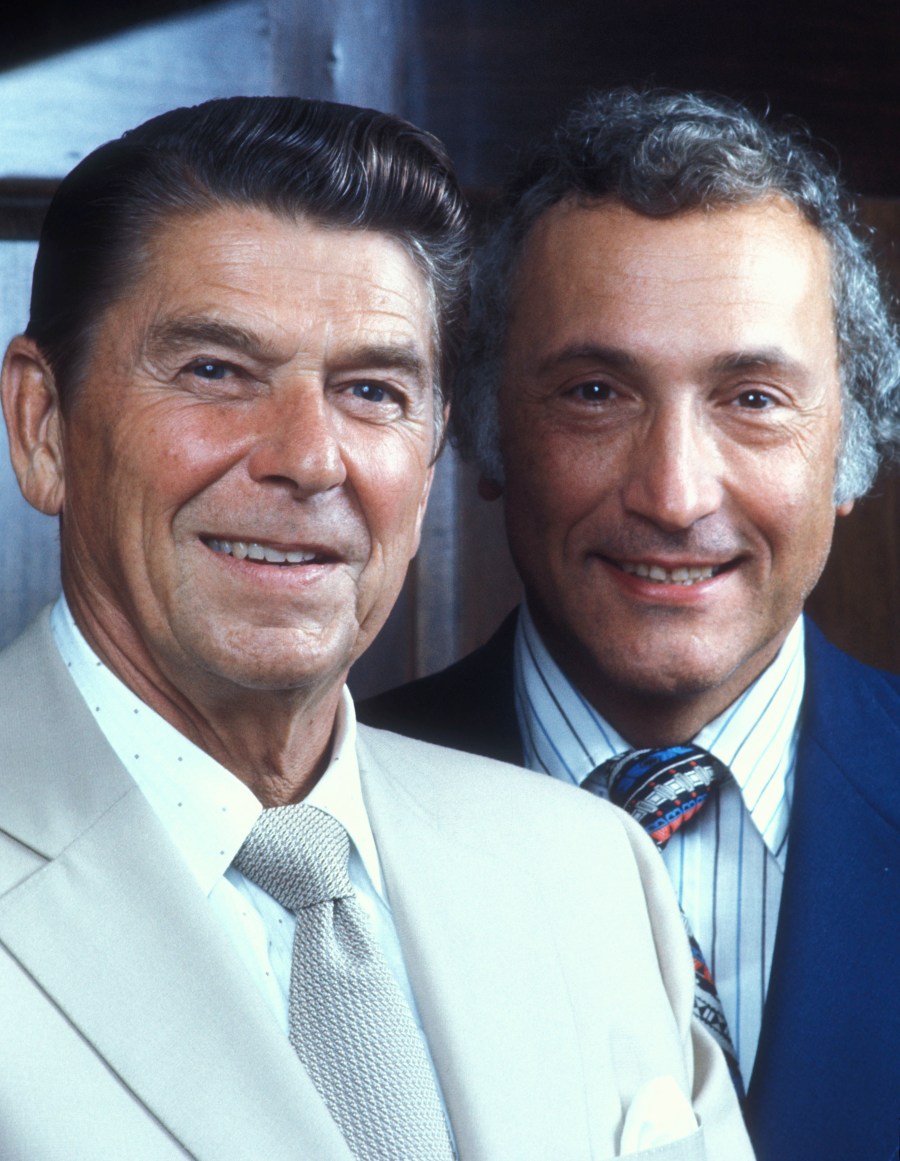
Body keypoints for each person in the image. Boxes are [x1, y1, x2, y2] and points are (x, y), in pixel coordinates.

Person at [0, 96, 752, 1161]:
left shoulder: (594, 876)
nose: (311, 458)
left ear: (435, 448)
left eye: (370, 389)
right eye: (216, 371)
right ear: (44, 427)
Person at [360, 89, 900, 1161]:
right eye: (597, 391)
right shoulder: (326, 834)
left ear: (853, 449)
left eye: (752, 398)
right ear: (487, 435)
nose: (673, 493)